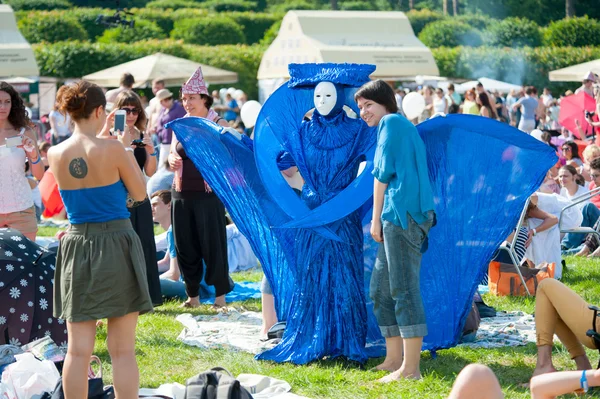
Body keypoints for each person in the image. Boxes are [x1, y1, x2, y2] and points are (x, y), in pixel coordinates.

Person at [48, 80, 152, 398]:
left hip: (77, 243)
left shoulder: (55, 153)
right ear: (99, 111)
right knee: (122, 350)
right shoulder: (115, 149)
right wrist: (119, 146)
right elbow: (139, 193)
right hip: (117, 241)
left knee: (77, 350)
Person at [356, 79, 435, 381]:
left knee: (403, 289)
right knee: (380, 289)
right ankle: (394, 360)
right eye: (360, 107)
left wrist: (375, 219)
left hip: (402, 215)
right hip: (402, 214)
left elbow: (381, 176)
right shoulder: (399, 125)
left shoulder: (390, 122)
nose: (363, 112)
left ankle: (410, 370)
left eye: (368, 105)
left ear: (385, 102)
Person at [168, 67, 234, 308]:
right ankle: (192, 296)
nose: (187, 103)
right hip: (181, 193)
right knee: (185, 245)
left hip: (209, 195)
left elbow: (229, 158)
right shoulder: (180, 124)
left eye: (192, 98)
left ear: (204, 99)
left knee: (213, 245)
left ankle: (220, 297)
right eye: (184, 98)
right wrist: (171, 160)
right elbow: (170, 153)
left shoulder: (217, 122)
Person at [100, 90, 162, 306]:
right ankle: (123, 296)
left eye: (135, 110)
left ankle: (148, 296)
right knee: (121, 249)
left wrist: (151, 151)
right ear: (117, 110)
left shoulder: (142, 133)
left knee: (144, 244)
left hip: (140, 197)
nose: (131, 114)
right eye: (126, 109)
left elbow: (151, 171)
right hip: (117, 198)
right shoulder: (110, 134)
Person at [0, 82, 44, 241]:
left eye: (7, 102)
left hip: (22, 211)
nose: (3, 106)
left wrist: (33, 155)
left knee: (26, 264)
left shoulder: (25, 132)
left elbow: (39, 175)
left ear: (13, 104)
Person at [531, 278, 597, 380]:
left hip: (595, 328)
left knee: (546, 285)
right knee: (553, 302)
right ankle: (583, 367)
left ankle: (544, 365)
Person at [155, 89, 185, 169]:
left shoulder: (179, 107)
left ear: (166, 99)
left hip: (175, 143)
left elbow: (182, 124)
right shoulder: (163, 109)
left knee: (171, 168)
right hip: (163, 143)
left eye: (162, 101)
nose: (161, 104)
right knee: (162, 168)